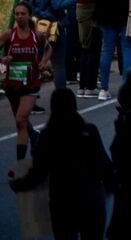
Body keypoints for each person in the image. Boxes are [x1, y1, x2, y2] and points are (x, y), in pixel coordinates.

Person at [7, 87, 112, 239]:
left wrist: (18, 185)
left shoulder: (48, 135)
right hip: (91, 200)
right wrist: (112, 186)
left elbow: (38, 173)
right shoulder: (88, 130)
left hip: (64, 203)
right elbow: (104, 164)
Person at [2, 1, 49, 159]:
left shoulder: (38, 35)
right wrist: (3, 60)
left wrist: (43, 61)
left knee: (21, 119)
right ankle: (34, 136)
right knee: (20, 120)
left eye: (23, 14)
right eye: (17, 14)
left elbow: (49, 48)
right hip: (12, 84)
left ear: (29, 16)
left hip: (31, 84)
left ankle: (21, 162)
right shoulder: (9, 34)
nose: (19, 17)